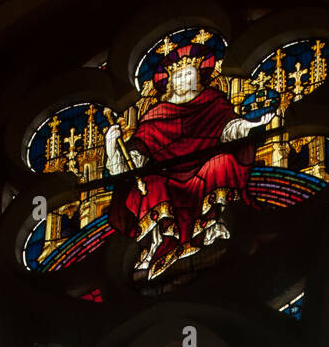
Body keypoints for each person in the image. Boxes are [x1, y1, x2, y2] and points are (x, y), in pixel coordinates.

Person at [105, 41, 274, 280]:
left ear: (199, 78)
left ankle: (211, 229)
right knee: (152, 183)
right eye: (179, 77)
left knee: (222, 162)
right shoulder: (156, 114)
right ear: (170, 82)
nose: (184, 81)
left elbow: (230, 128)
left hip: (205, 167)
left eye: (189, 75)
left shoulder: (213, 101)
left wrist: (252, 125)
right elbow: (136, 155)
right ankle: (159, 244)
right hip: (166, 176)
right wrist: (113, 146)